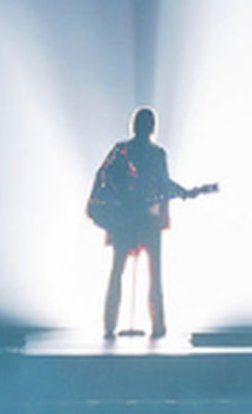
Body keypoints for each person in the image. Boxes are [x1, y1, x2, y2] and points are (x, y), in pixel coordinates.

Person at [88, 107, 207, 339]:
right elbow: (163, 183)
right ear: (152, 127)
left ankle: (112, 326)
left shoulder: (122, 151)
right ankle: (156, 326)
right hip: (143, 218)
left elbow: (159, 182)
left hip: (128, 217)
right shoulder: (148, 154)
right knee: (149, 272)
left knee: (120, 271)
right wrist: (184, 192)